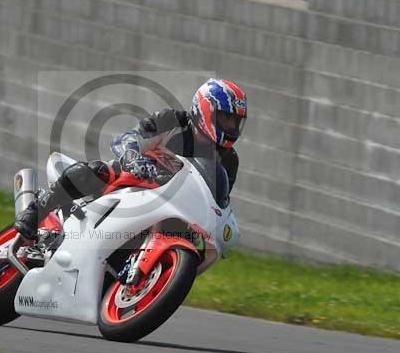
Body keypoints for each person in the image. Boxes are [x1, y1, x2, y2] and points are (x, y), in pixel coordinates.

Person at [14, 79, 248, 241]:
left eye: (234, 122)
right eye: (225, 118)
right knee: (97, 170)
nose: (230, 127)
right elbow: (129, 138)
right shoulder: (171, 121)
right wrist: (133, 156)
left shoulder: (228, 161)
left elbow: (217, 201)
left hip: (173, 207)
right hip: (134, 179)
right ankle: (36, 211)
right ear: (205, 109)